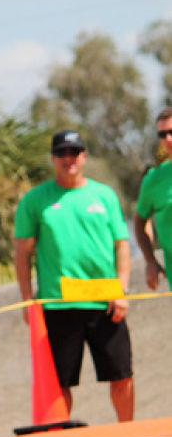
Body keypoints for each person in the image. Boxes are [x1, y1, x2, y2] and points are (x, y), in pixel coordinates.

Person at [13, 130, 134, 422]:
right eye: (62, 153)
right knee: (60, 383)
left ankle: (127, 434)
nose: (69, 159)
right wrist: (28, 300)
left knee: (122, 374)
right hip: (58, 304)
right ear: (54, 158)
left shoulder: (104, 195)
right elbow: (22, 252)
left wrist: (121, 290)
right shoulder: (35, 200)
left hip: (104, 301)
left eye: (75, 152)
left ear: (84, 156)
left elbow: (121, 245)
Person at [134, 107, 172, 290]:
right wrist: (150, 261)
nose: (168, 139)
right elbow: (139, 221)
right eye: (162, 134)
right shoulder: (153, 179)